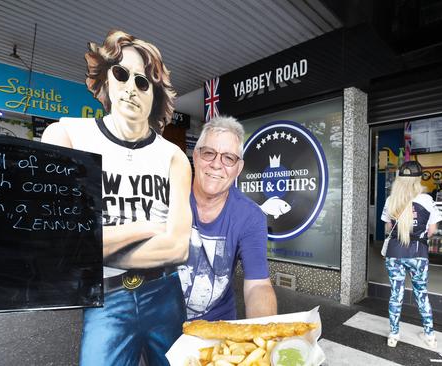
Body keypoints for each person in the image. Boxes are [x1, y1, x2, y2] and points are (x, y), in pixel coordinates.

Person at [42, 30, 192, 366]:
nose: (130, 87)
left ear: (155, 95)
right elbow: (61, 244)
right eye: (121, 73)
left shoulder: (175, 158)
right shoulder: (67, 136)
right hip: (107, 298)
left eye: (143, 82)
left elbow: (177, 248)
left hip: (164, 292)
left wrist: (91, 246)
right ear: (106, 78)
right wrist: (147, 227)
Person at [178, 116, 277, 321]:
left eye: (228, 158)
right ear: (195, 156)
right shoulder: (167, 195)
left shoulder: (250, 217)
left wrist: (263, 334)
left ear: (238, 168)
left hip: (215, 326)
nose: (216, 164)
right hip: (158, 326)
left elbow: (258, 285)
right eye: (209, 153)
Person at [381, 160, 442, 349]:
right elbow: (432, 230)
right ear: (418, 179)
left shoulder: (391, 200)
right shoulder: (426, 200)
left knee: (395, 293)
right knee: (421, 293)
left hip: (395, 253)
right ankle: (430, 335)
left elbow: (388, 227)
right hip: (418, 253)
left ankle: (393, 334)